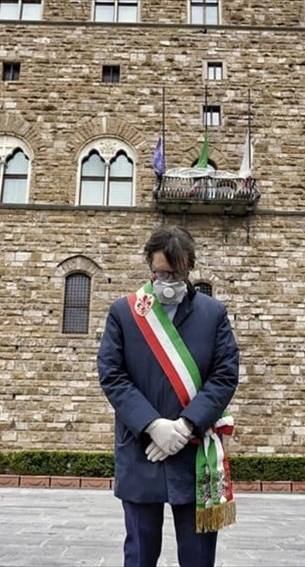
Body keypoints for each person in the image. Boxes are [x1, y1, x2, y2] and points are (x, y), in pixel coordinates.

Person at [97, 226, 240, 567]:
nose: (167, 280)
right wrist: (152, 425)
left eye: (175, 274)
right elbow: (112, 374)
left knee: (198, 556)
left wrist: (187, 425)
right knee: (140, 553)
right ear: (149, 266)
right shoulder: (125, 312)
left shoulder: (212, 313)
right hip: (140, 447)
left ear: (189, 269)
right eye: (160, 272)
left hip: (195, 450)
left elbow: (225, 375)